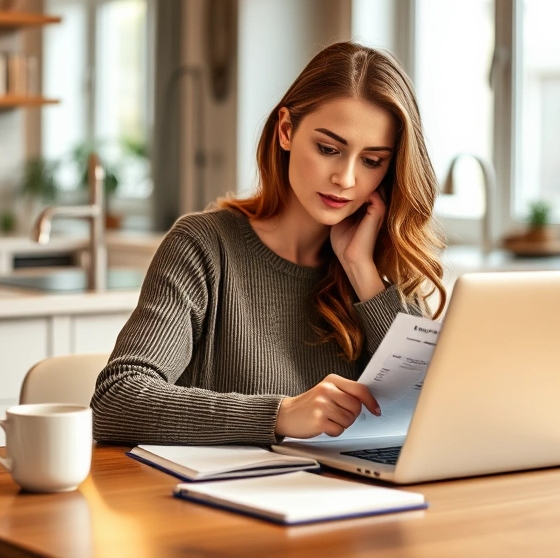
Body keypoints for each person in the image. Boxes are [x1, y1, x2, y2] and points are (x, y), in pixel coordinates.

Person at [91, 41, 446, 446]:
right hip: (214, 502)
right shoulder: (205, 247)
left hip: (350, 500)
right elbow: (117, 399)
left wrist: (362, 270)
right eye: (329, 149)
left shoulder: (379, 268)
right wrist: (279, 414)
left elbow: (430, 410)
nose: (346, 179)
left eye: (371, 161)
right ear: (286, 130)